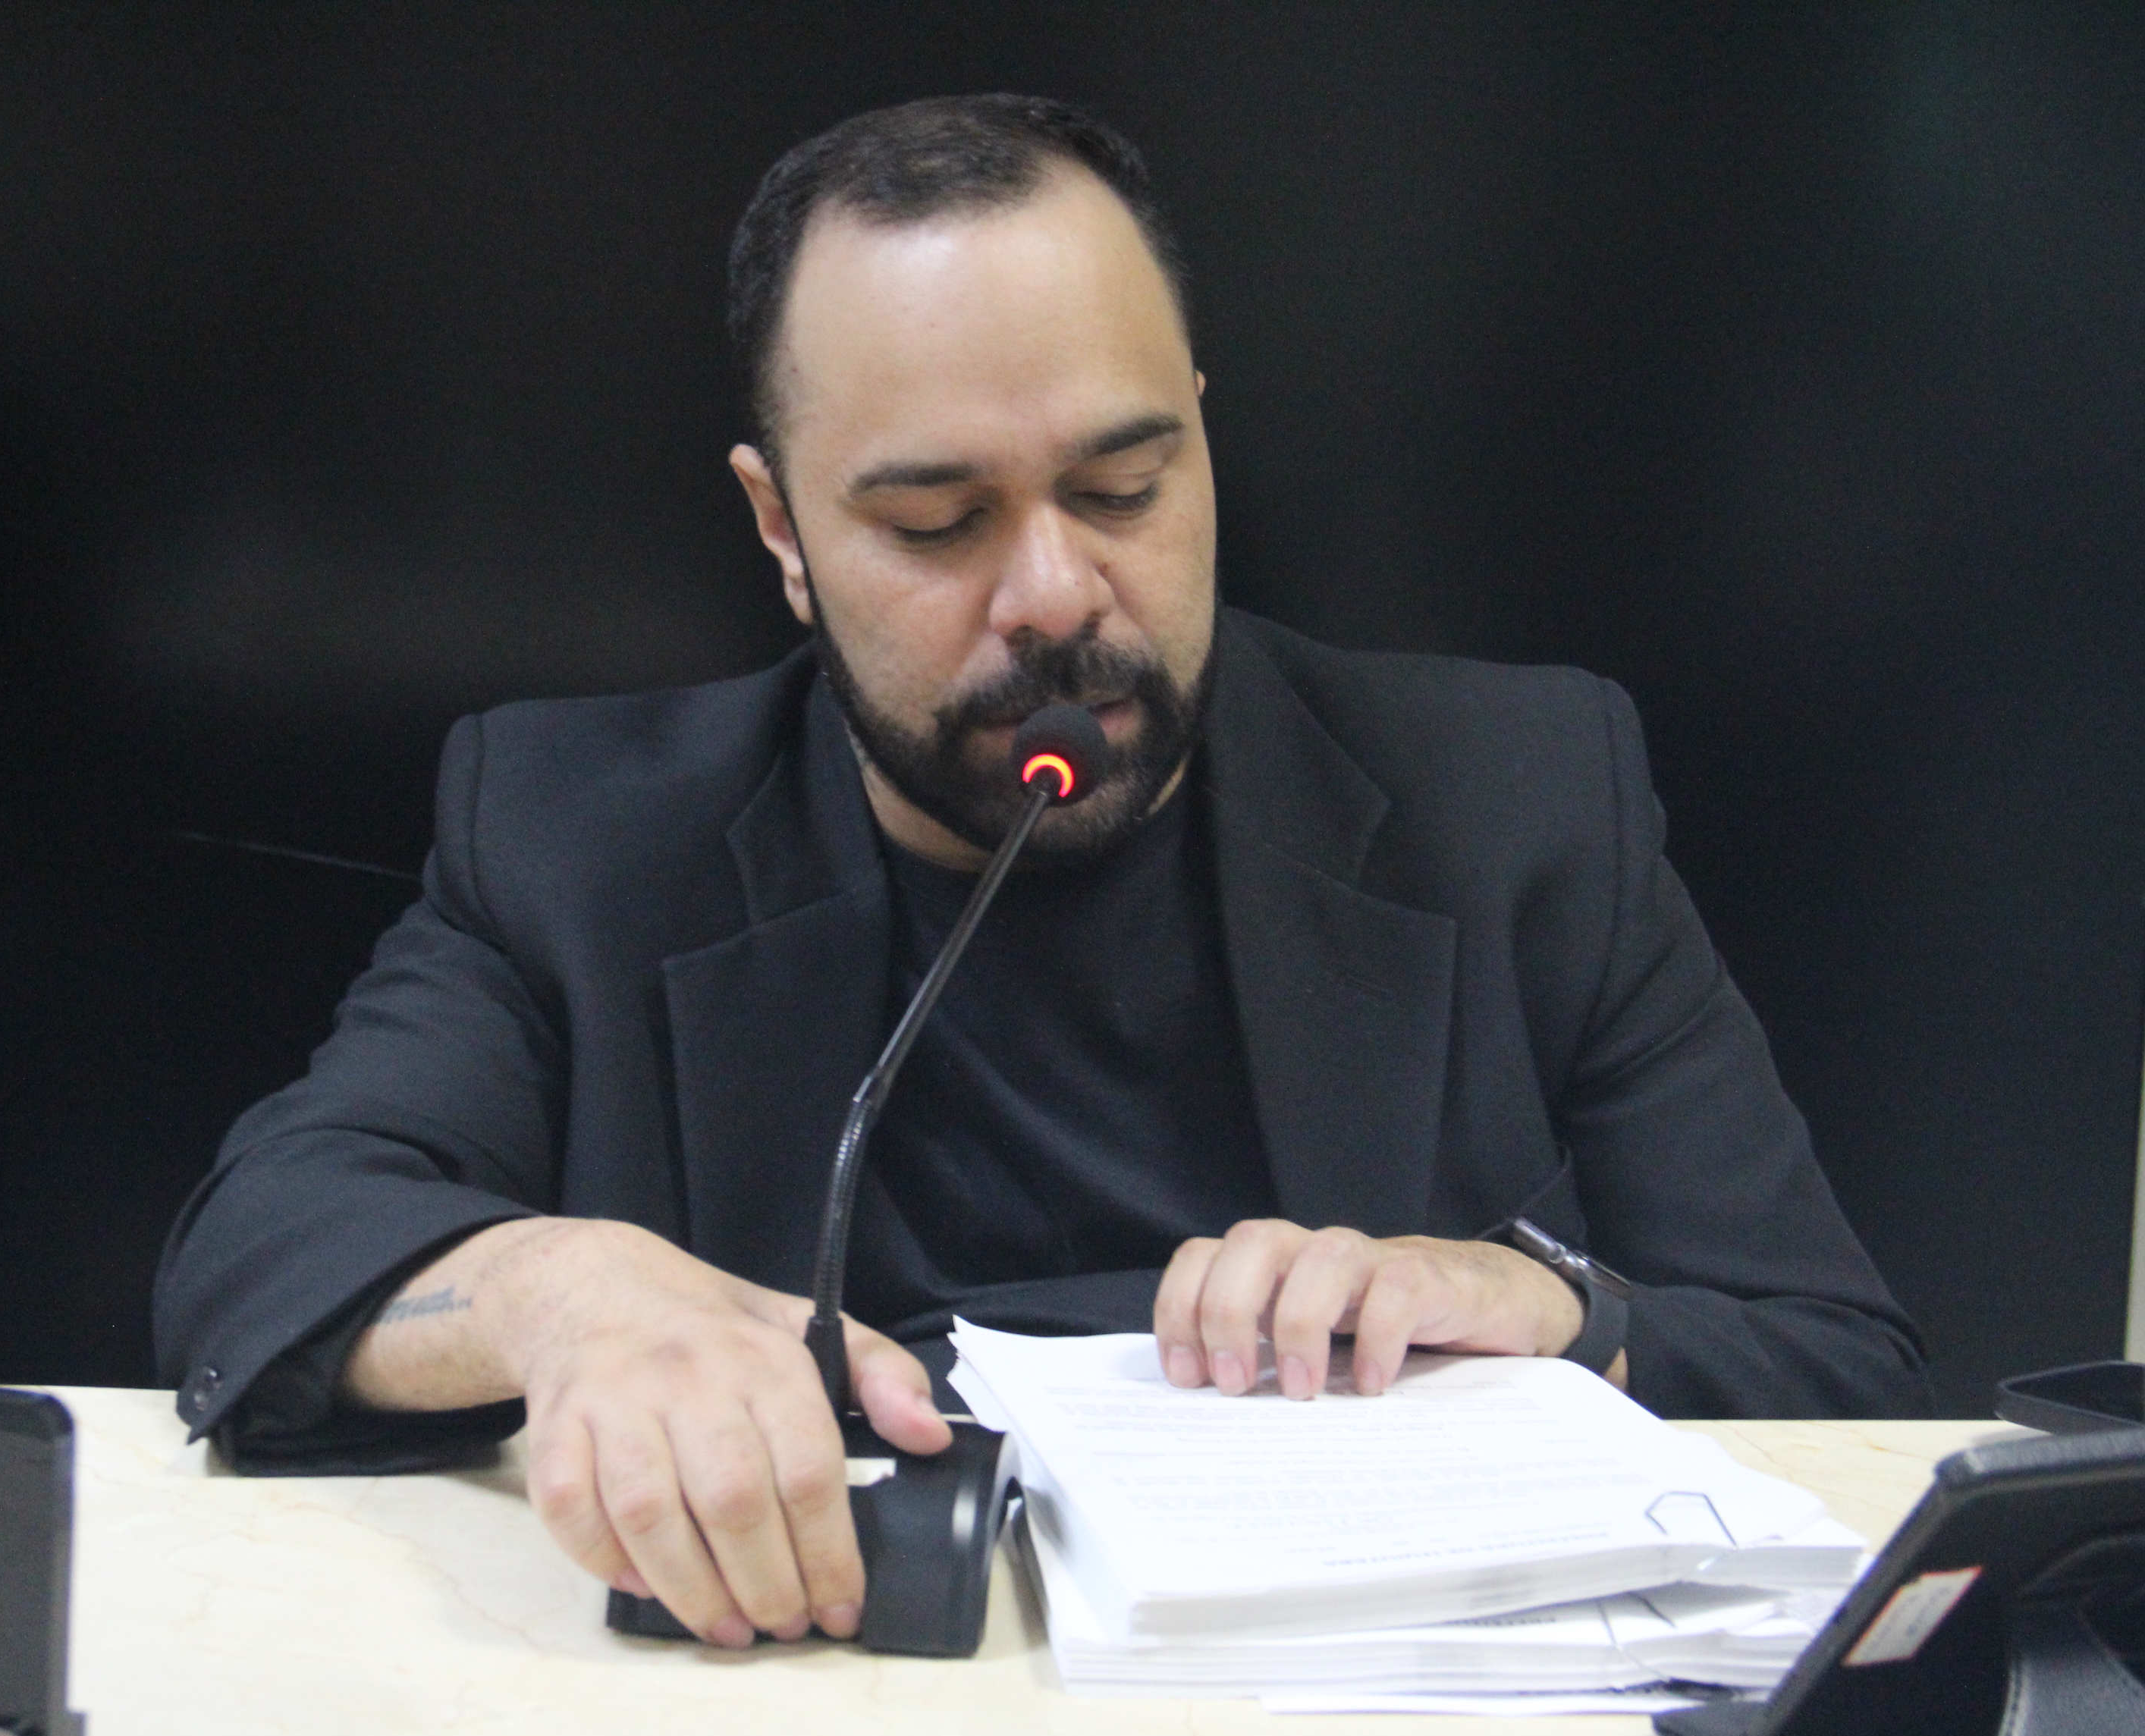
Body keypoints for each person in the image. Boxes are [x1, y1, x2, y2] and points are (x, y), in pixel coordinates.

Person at [155, 94, 1926, 1653]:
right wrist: (560, 1300)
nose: (1058, 597)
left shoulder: (1520, 799)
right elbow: (261, 1258)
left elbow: (1840, 1364)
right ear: (782, 531)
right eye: (938, 523)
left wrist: (1561, 1317)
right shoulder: (582, 836)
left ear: (1204, 440)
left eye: (1126, 485)